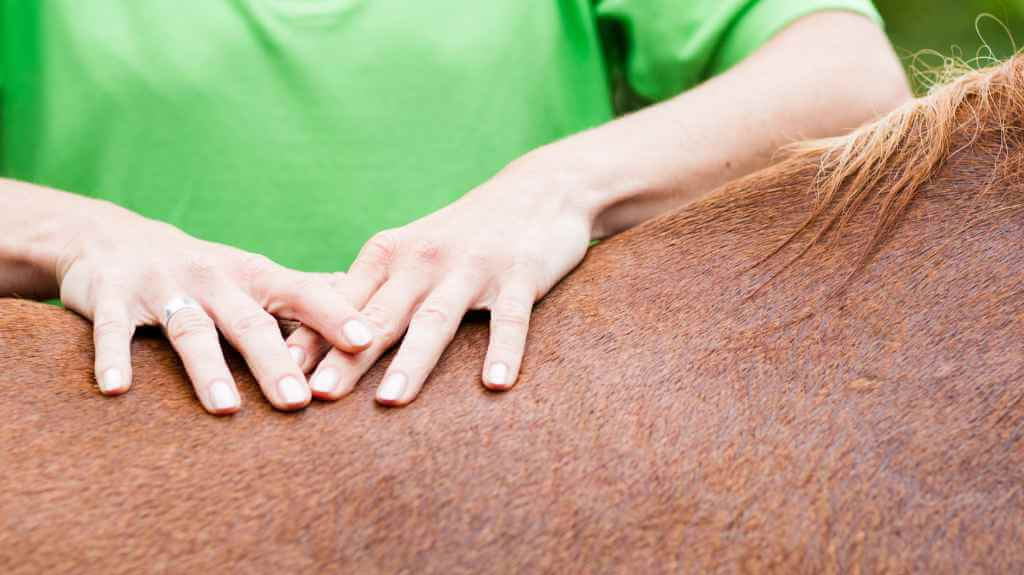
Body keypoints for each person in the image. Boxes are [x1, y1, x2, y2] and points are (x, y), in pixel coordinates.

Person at [0, 1, 911, 414]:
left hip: (525, 464)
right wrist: (82, 235)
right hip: (108, 475)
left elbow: (850, 76)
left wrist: (555, 188)